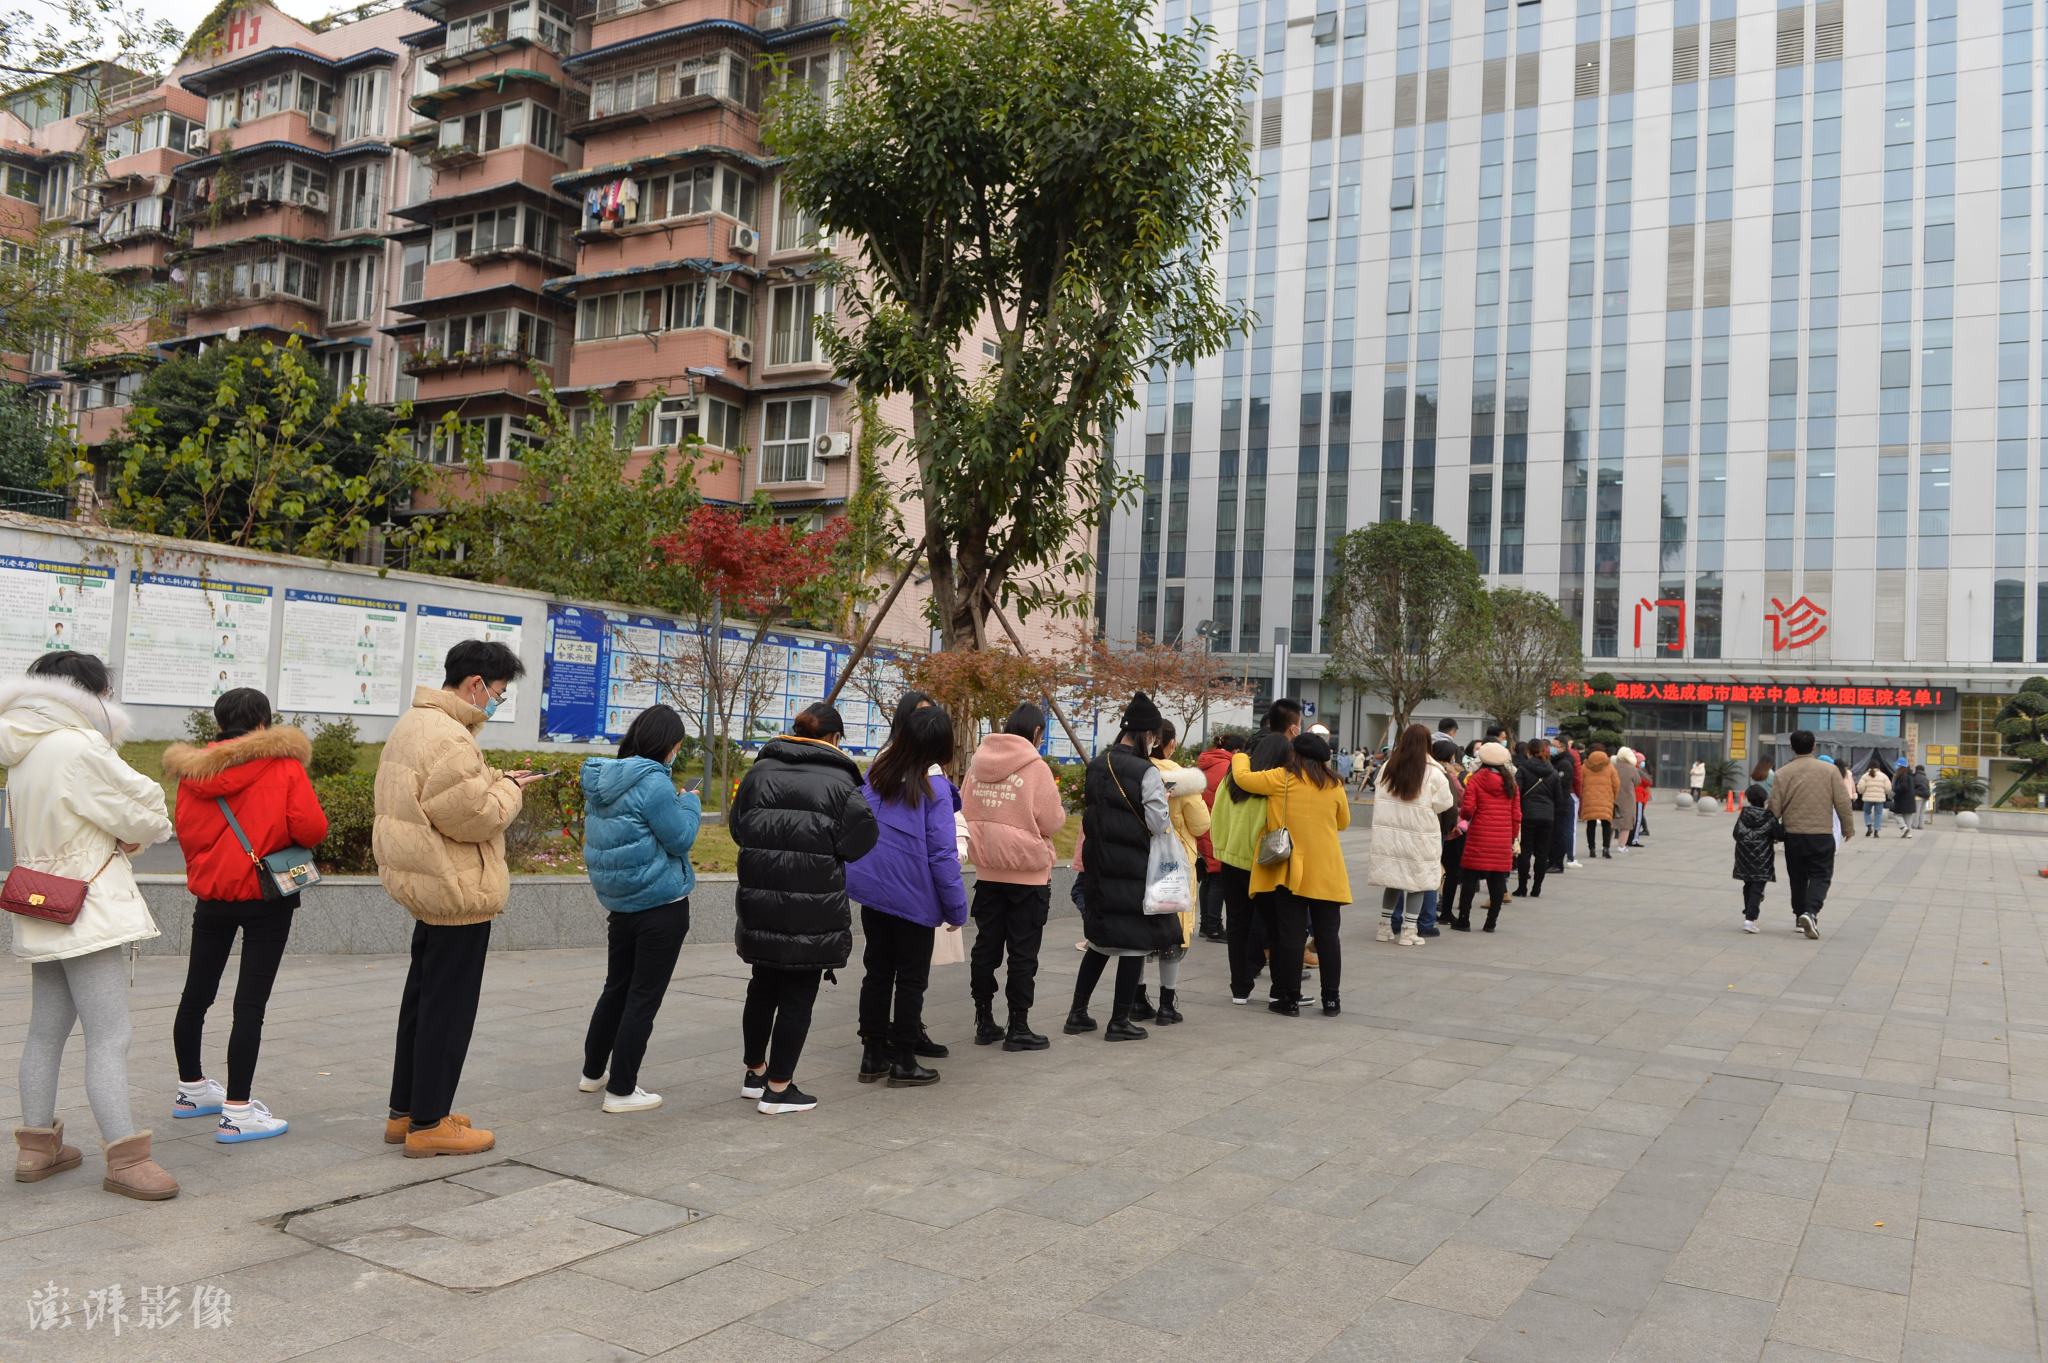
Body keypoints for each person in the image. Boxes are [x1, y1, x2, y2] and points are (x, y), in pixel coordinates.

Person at [5, 652, 178, 1199]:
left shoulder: (23, 749)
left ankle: (37, 1148)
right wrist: (147, 829)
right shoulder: (79, 746)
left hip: (42, 900)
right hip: (87, 906)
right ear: (90, 692)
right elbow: (142, 807)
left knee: (45, 1031)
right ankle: (126, 1159)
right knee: (110, 1034)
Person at [375, 640, 542, 1157]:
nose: (495, 702)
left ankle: (407, 1111)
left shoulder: (415, 723)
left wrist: (496, 778)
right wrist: (511, 790)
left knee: (423, 1002)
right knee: (448, 1011)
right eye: (497, 692)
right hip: (457, 891)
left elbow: (445, 795)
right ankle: (429, 1123)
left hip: (431, 886)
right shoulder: (450, 736)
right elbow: (476, 816)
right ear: (475, 684)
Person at [164, 688, 329, 1144]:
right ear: (263, 722)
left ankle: (191, 1089)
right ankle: (237, 1110)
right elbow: (312, 828)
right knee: (249, 1004)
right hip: (267, 897)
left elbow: (187, 834)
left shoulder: (193, 772)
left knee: (196, 993)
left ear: (219, 723)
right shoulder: (284, 765)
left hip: (213, 896)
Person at [731, 702, 877, 1112]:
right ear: (833, 739)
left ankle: (755, 1072)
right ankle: (779, 1088)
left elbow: (738, 828)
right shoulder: (840, 783)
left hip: (761, 897)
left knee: (762, 985)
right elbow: (862, 839)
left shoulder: (760, 771)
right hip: (813, 903)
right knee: (798, 993)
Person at [577, 704, 701, 1114]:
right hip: (660, 905)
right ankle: (623, 1089)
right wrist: (691, 803)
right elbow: (680, 839)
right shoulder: (656, 785)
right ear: (668, 745)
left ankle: (594, 1073)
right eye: (677, 747)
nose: (676, 754)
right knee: (643, 997)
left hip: (621, 903)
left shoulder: (604, 779)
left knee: (617, 987)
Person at [845, 705, 968, 1087]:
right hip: (914, 899)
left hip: (874, 893)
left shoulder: (878, 774)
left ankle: (872, 1055)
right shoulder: (935, 788)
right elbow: (943, 854)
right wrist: (957, 909)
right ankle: (903, 1060)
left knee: (877, 972)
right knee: (911, 979)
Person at [1066, 693, 1180, 1039]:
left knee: (1101, 940)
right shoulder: (1145, 771)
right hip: (1133, 866)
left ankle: (1077, 1014)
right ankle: (1119, 1021)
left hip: (1099, 864)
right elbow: (1159, 823)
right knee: (1134, 941)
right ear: (1147, 734)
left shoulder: (1098, 764)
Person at [962, 703, 1064, 1052]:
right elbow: (1052, 821)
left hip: (987, 870)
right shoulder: (1036, 768)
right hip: (1028, 876)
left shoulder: (977, 763)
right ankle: (1018, 1025)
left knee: (985, 947)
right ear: (1037, 733)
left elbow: (965, 807)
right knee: (1023, 953)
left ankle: (984, 1020)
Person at [1229, 732, 1351, 1014]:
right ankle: (1331, 1000)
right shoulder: (1334, 784)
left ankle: (1290, 999)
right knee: (1328, 937)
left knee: (1291, 936)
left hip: (1290, 871)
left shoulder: (1281, 777)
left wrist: (1239, 755)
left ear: (1294, 754)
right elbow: (1343, 822)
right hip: (1327, 870)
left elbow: (1243, 778)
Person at [1209, 702, 1300, 1004]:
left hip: (1231, 860)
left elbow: (1217, 818)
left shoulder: (1231, 781)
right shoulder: (1275, 786)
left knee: (1237, 923)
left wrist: (1222, 849)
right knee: (1276, 925)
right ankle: (1279, 988)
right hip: (1264, 863)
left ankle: (1240, 988)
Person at [1137, 720, 1210, 1025]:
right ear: (1169, 744)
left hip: (1142, 859)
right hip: (1174, 864)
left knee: (1139, 933)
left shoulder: (1137, 772)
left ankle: (1137, 999)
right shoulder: (1184, 780)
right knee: (1173, 932)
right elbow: (1201, 824)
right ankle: (1167, 1003)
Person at [1365, 724, 1455, 948]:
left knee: (1393, 880)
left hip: (1390, 836)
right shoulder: (1433, 773)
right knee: (1417, 881)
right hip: (1419, 835)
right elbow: (1445, 803)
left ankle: (1384, 928)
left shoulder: (1387, 767)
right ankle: (1409, 931)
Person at [1768, 729, 1856, 939]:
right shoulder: (1830, 771)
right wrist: (1848, 827)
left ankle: (1800, 916)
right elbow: (1842, 801)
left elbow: (1774, 806)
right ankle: (1811, 911)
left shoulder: (1782, 773)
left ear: (1792, 747)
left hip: (1794, 834)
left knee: (1797, 877)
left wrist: (1771, 831)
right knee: (1821, 875)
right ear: (1814, 746)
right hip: (1821, 833)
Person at [1452, 742, 1521, 932]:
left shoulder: (1475, 780)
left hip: (1479, 836)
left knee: (1469, 878)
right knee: (1497, 880)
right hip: (1502, 837)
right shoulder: (1511, 784)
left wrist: (1467, 817)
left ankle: (1463, 920)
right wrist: (1512, 837)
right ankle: (1491, 923)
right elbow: (1516, 816)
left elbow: (1467, 809)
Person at [1193, 733, 1240, 942]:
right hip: (1217, 828)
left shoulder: (1205, 763)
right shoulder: (1227, 768)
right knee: (1218, 877)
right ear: (1237, 751)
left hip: (1201, 826)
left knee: (1208, 877)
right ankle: (1213, 927)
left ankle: (1205, 924)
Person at [1731, 783, 1783, 934]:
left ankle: (1748, 912)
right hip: (1762, 859)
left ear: (1748, 798)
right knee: (1757, 889)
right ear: (1764, 799)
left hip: (1743, 857)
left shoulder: (1744, 814)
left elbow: (1736, 834)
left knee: (1748, 885)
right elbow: (1779, 835)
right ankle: (1750, 919)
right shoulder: (1769, 817)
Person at [1514, 739, 1558, 899]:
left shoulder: (1523, 769)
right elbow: (1558, 797)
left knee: (1525, 851)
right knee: (1542, 853)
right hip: (1547, 815)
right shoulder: (1553, 772)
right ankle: (1537, 888)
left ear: (1528, 752)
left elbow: (1517, 792)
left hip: (1528, 814)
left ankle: (1522, 887)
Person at [1433, 735, 1467, 931]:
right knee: (1451, 872)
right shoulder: (1449, 774)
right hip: (1449, 830)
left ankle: (1425, 911)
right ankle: (1445, 911)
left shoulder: (1425, 769)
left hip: (1430, 826)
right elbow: (1459, 799)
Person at [1579, 745, 1621, 859]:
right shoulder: (1609, 766)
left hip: (1589, 799)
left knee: (1591, 824)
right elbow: (1616, 784)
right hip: (1606, 799)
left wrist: (1583, 795)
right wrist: (1613, 797)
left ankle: (1592, 849)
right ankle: (1605, 849)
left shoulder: (1585, 766)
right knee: (1606, 824)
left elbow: (1580, 782)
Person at [1856, 759, 1892, 838]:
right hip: (1879, 799)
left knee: (1866, 812)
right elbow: (1888, 788)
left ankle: (1869, 826)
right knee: (1878, 814)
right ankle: (1876, 831)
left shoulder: (1865, 776)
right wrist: (1884, 793)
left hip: (1867, 798)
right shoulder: (1883, 776)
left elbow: (1860, 788)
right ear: (1878, 767)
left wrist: (1861, 792)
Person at [1890, 759, 1916, 838]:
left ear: (1901, 766)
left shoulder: (1902, 775)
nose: (1896, 767)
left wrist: (1895, 789)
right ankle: (1908, 833)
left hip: (1903, 799)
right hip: (1910, 799)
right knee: (1907, 817)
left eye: (1898, 765)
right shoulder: (1910, 775)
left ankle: (1904, 828)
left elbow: (1903, 787)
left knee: (1896, 814)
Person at [1912, 765, 1931, 830]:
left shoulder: (1915, 777)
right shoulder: (1926, 777)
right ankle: (1921, 825)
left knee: (1916, 811)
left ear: (1917, 769)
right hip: (1926, 795)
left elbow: (1912, 786)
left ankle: (1914, 825)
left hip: (1918, 795)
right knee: (1922, 811)